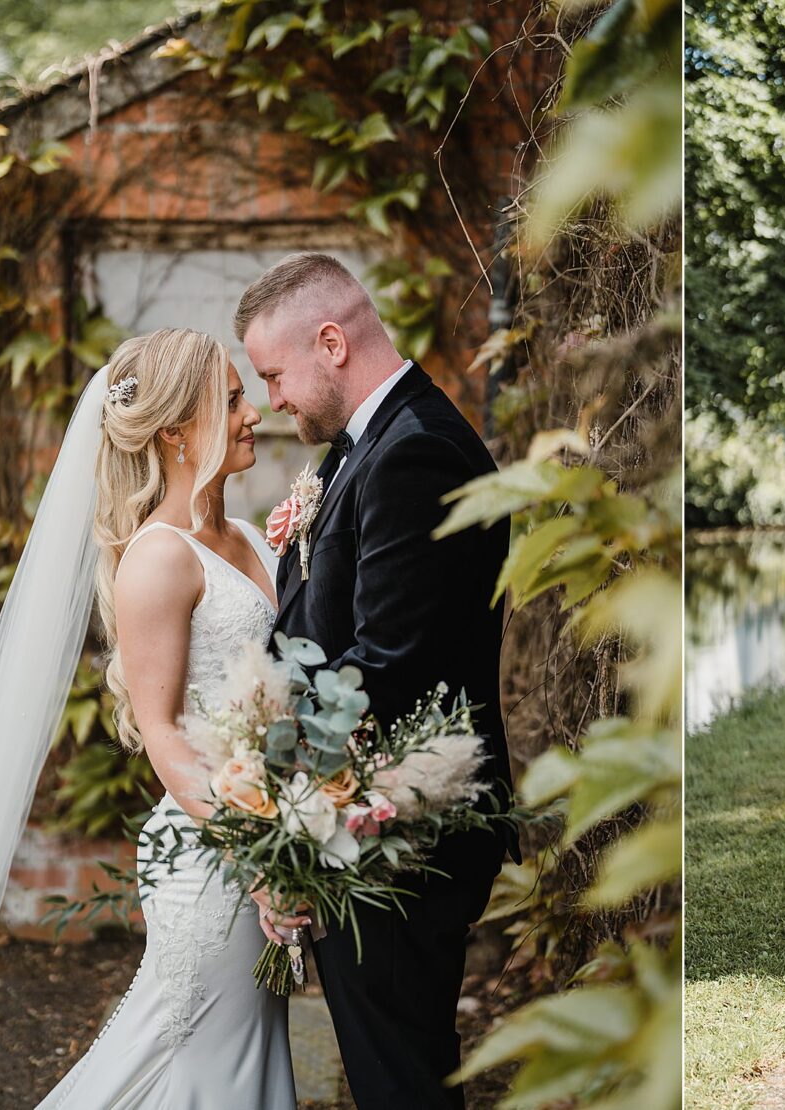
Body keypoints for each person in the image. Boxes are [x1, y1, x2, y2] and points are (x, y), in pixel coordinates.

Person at [236, 252, 518, 1107]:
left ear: (331, 342)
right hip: (366, 818)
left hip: (404, 832)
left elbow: (386, 669)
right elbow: (320, 630)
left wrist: (274, 781)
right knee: (393, 1069)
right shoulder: (370, 447)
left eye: (275, 375)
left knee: (400, 1079)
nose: (273, 400)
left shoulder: (413, 454)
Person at [21, 328, 295, 1106]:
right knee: (202, 1066)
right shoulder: (159, 557)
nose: (253, 415)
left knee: (244, 1058)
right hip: (215, 856)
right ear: (175, 431)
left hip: (268, 835)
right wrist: (261, 859)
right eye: (232, 401)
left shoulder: (246, 535)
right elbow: (164, 733)